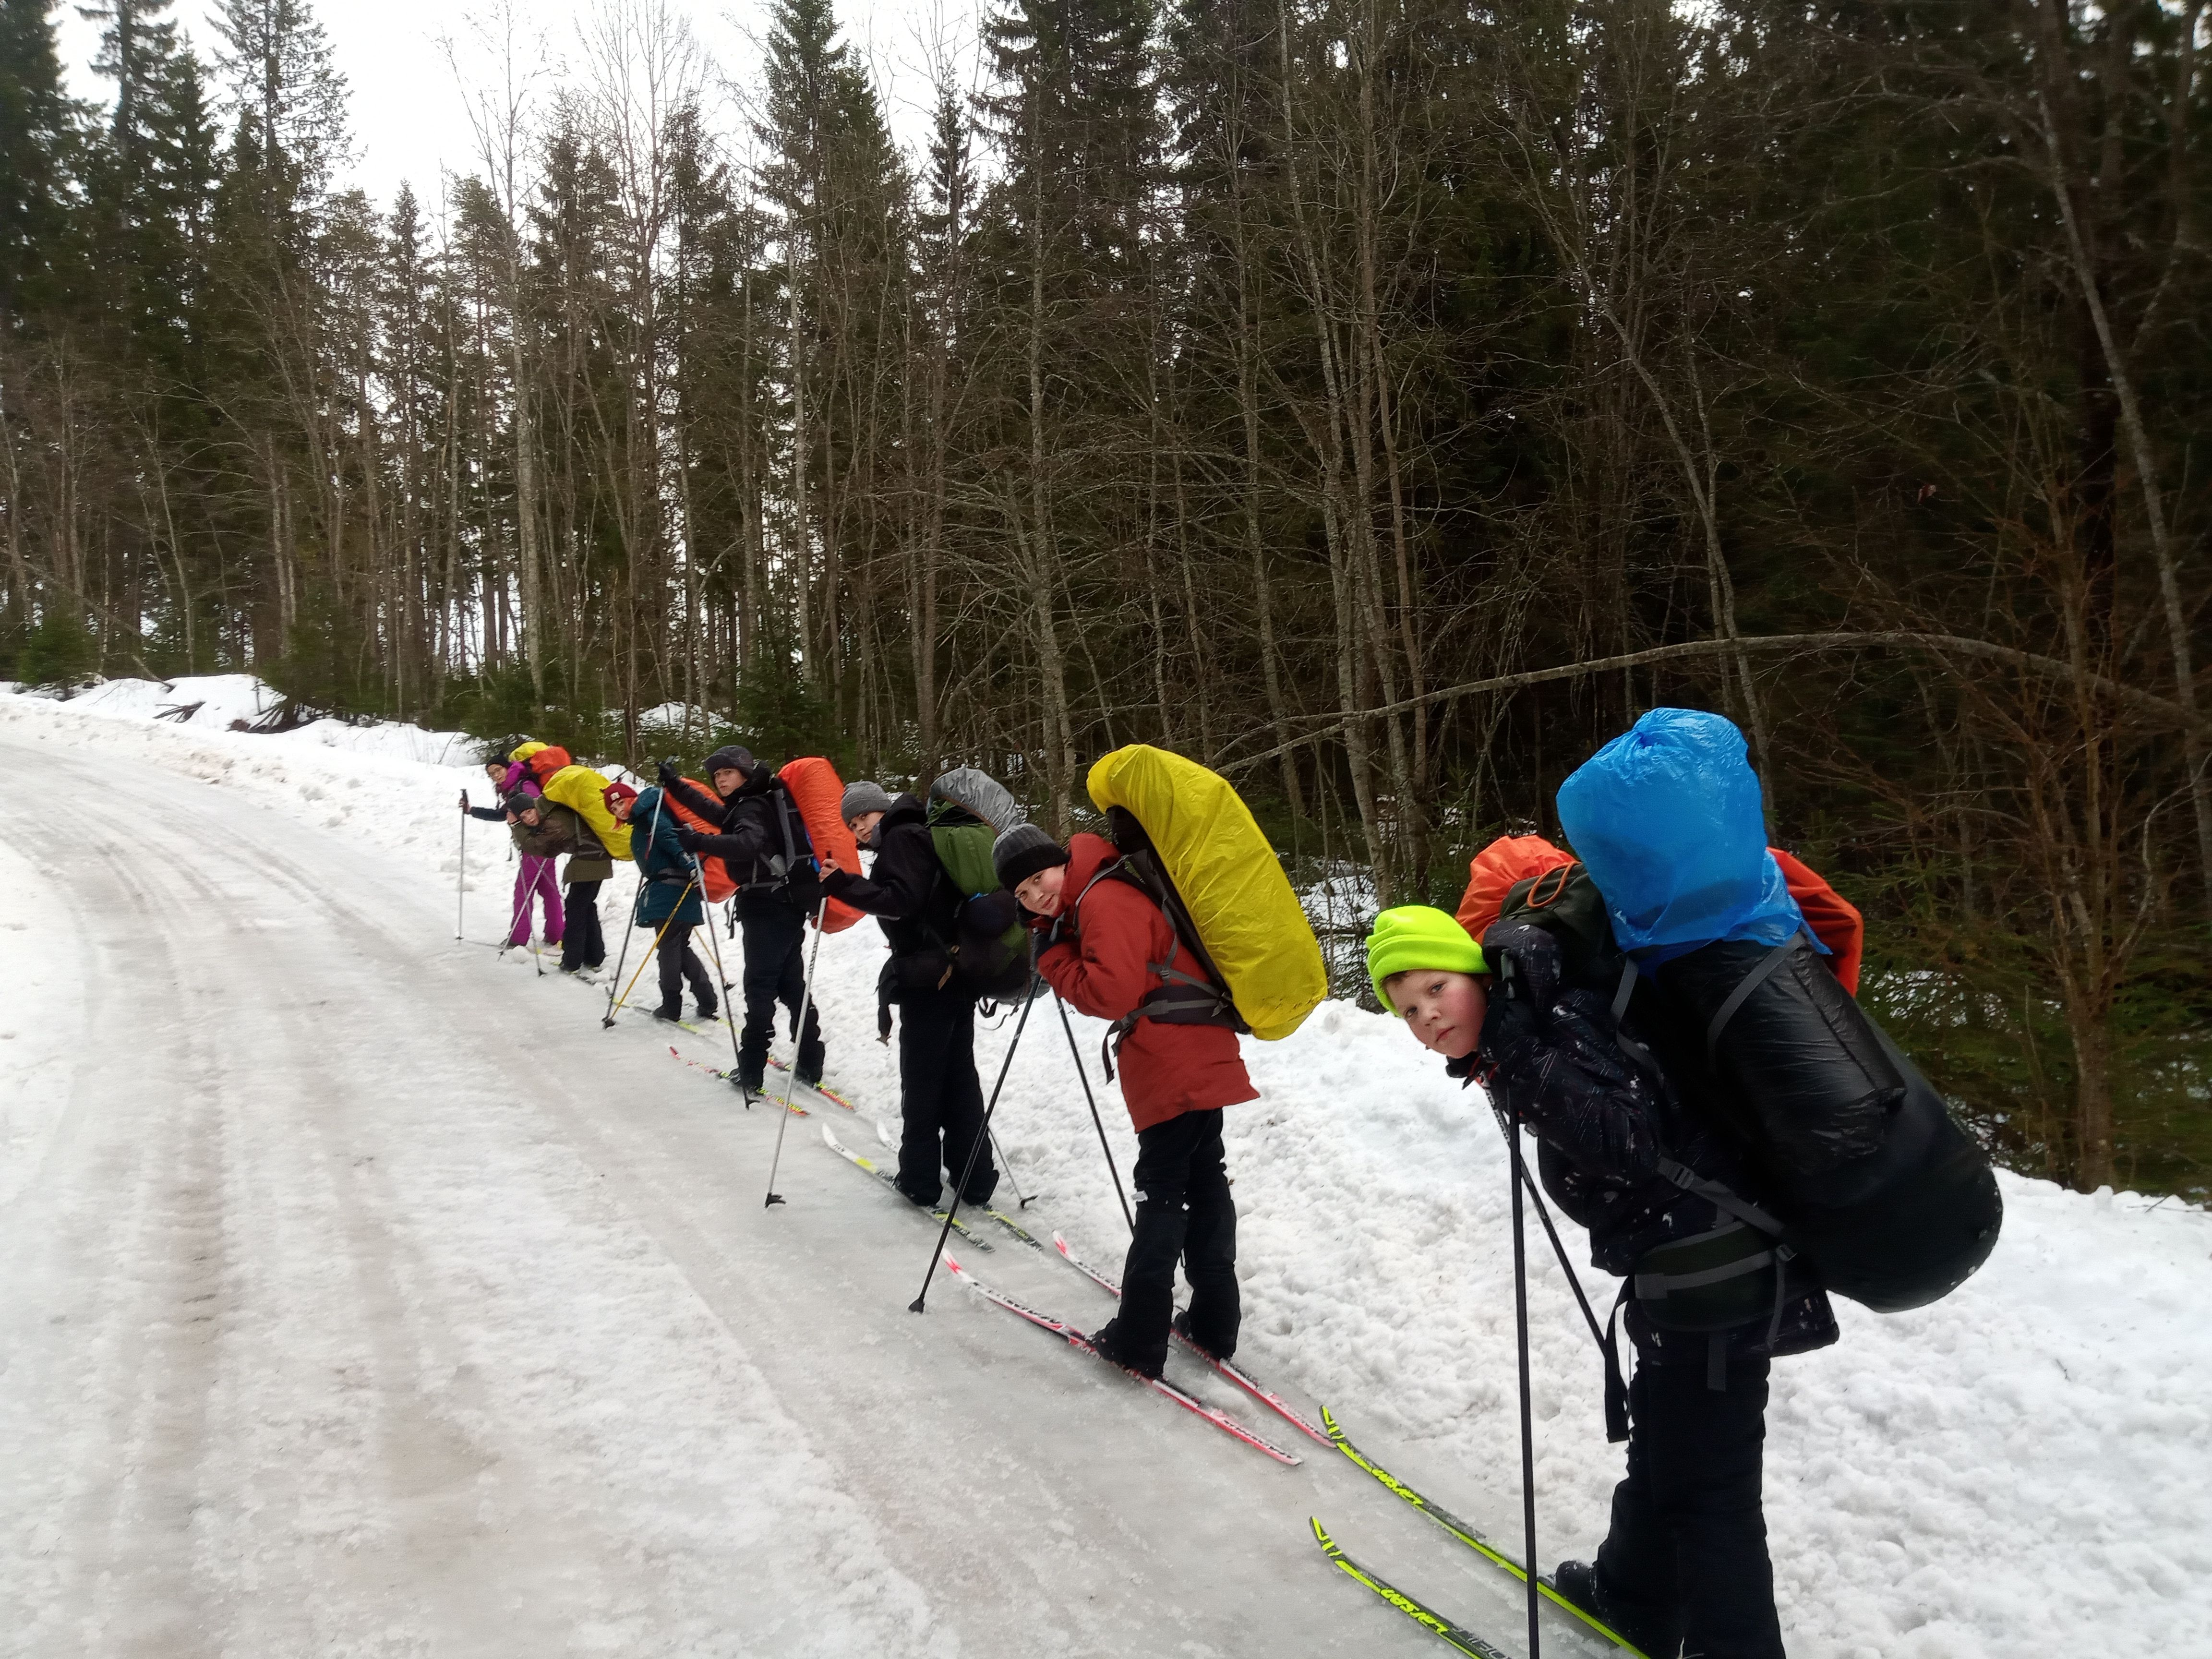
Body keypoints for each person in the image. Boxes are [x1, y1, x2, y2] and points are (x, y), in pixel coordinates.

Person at [1365, 902, 1834, 1659]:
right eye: (1407, 1009)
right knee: (1666, 1441)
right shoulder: (1536, 1026)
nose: (1425, 1018)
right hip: (1683, 1272)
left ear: (1476, 972)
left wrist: (1521, 1059)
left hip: (1714, 1274)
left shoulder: (1555, 1026)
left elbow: (1630, 1140)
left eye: (1434, 989)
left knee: (1710, 1497)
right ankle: (1635, 1594)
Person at [997, 820, 1254, 1380]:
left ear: (1061, 862)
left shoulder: (1103, 900)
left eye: (1040, 877)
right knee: (1204, 1178)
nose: (1037, 894)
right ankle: (1213, 1323)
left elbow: (1112, 993)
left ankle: (1138, 1340)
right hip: (1194, 1047)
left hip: (1173, 1058)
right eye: (1023, 892)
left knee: (1162, 1191)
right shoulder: (1097, 892)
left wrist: (1053, 960)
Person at [817, 780, 998, 1208]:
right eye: (854, 822)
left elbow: (901, 901)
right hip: (955, 975)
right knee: (959, 1080)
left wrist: (843, 885)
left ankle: (919, 1180)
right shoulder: (921, 834)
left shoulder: (901, 838)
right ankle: (974, 1180)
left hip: (927, 980)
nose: (861, 827)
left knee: (922, 1082)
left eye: (865, 816)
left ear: (885, 809)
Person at [661, 747, 824, 1091]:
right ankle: (811, 1060)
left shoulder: (750, 806)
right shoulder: (752, 803)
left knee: (760, 986)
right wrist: (675, 786)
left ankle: (751, 1069)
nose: (720, 780)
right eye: (717, 775)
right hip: (785, 902)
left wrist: (699, 840)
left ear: (745, 774)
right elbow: (712, 810)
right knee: (790, 984)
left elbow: (748, 843)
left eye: (727, 773)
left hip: (766, 907)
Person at [607, 781, 717, 1023]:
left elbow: (668, 837)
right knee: (680, 947)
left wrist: (687, 863)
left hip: (668, 891)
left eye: (621, 803)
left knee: (668, 949)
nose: (619, 811)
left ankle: (672, 1006)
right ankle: (708, 1000)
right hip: (681, 889)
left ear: (631, 798)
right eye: (614, 810)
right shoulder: (648, 815)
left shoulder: (649, 816)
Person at [509, 791, 611, 973]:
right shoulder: (551, 817)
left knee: (576, 910)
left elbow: (539, 846)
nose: (529, 819)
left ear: (535, 807)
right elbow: (549, 850)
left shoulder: (556, 819)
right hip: (592, 858)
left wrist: (517, 827)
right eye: (523, 818)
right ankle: (594, 956)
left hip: (591, 860)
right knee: (585, 907)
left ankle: (573, 961)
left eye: (529, 813)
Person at [464, 766, 562, 950]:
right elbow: (503, 815)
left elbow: (537, 815)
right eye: (492, 773)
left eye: (498, 770)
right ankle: (556, 934)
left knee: (523, 890)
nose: (496, 775)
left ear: (508, 768)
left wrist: (523, 829)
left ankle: (519, 937)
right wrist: (472, 810)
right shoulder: (514, 789)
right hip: (543, 847)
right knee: (549, 889)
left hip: (537, 847)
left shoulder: (525, 785)